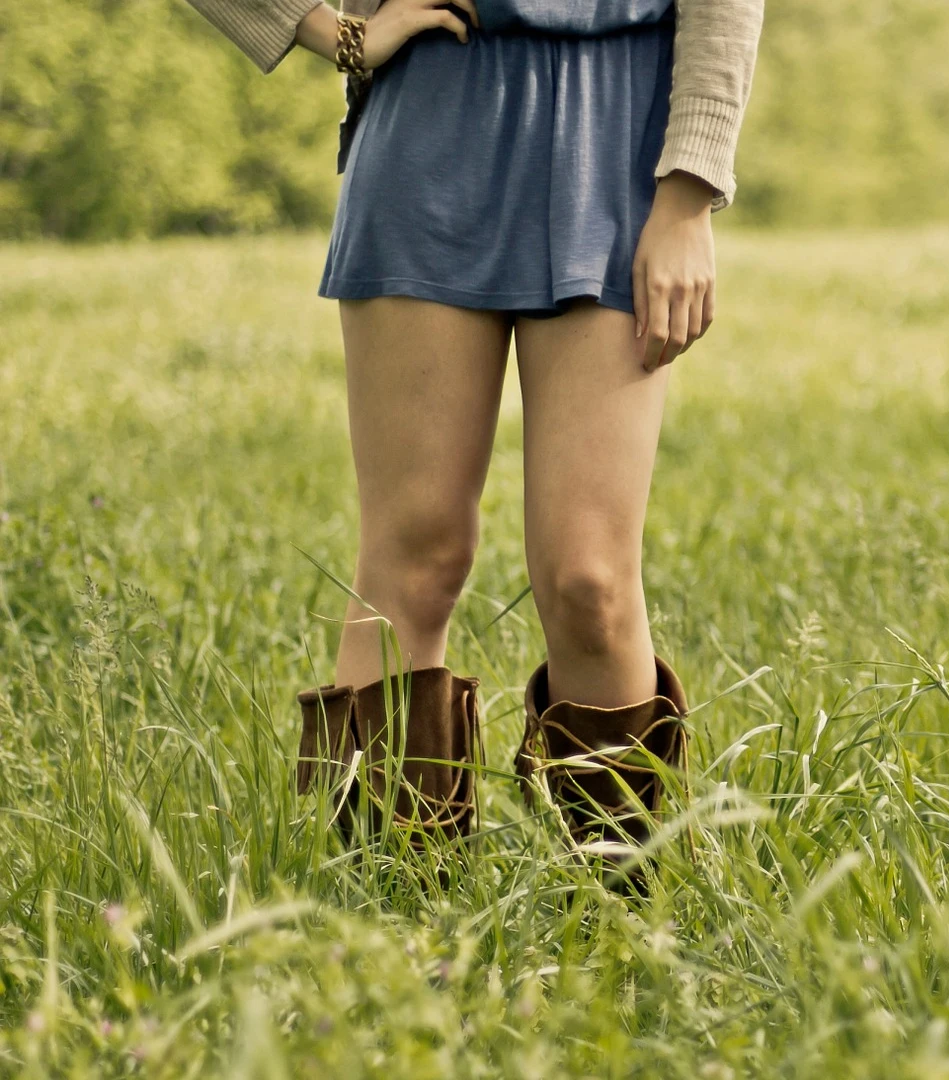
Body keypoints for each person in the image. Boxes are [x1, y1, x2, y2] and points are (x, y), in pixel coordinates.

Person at [184, 0, 762, 876]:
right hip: (432, 125)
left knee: (589, 582)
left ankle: (613, 935)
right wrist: (332, 31)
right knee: (416, 554)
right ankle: (397, 935)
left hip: (621, 140)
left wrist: (690, 188)